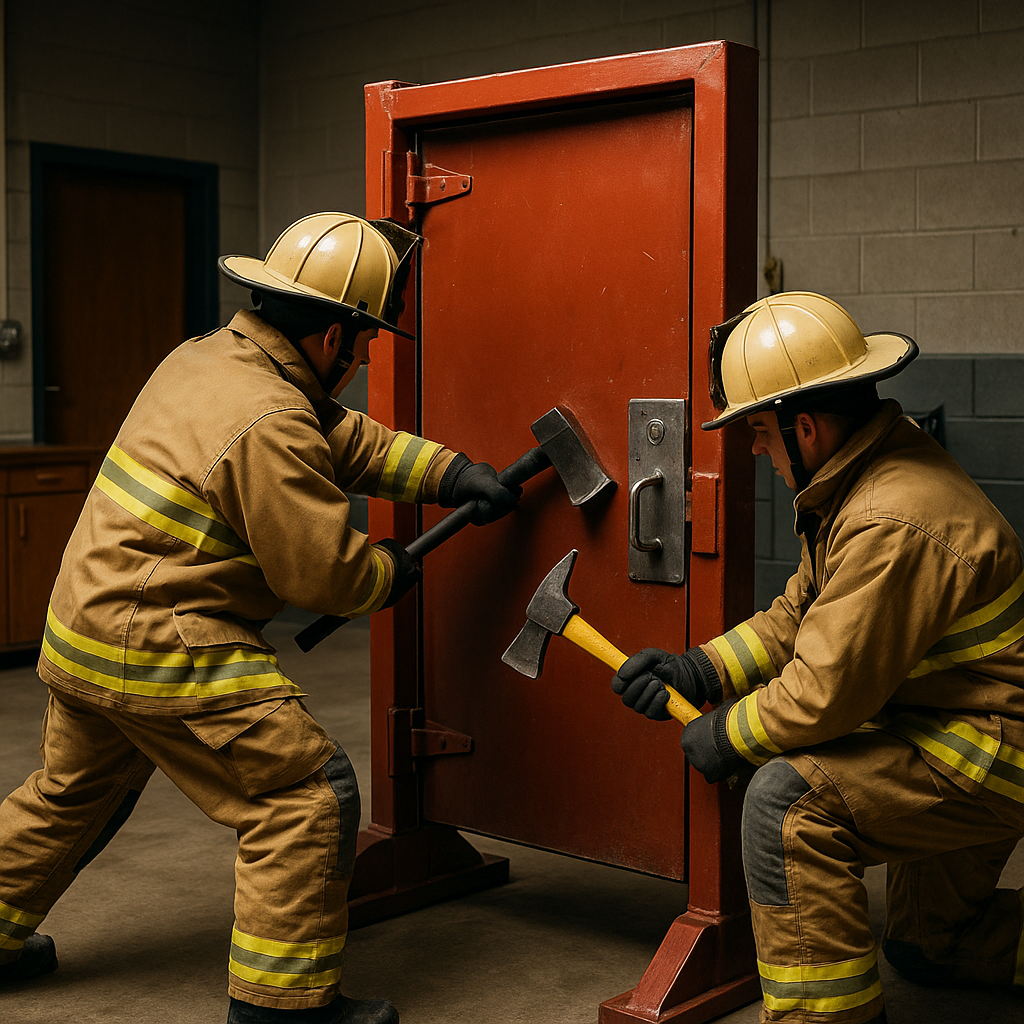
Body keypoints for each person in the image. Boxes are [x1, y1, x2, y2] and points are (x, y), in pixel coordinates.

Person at [0, 212, 521, 1024]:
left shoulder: (209, 358)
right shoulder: (272, 418)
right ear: (332, 340)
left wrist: (450, 476)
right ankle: (284, 1009)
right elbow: (322, 572)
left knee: (71, 794)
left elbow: (344, 439)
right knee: (306, 795)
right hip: (159, 634)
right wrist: (389, 571)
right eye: (364, 343)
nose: (360, 362)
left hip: (84, 626)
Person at [611, 291, 1024, 1024]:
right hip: (954, 725)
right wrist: (697, 671)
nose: (761, 455)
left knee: (784, 804)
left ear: (805, 426)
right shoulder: (863, 483)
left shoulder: (888, 516)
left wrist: (727, 734)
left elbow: (827, 691)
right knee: (929, 945)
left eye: (762, 437)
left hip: (985, 750)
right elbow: (798, 616)